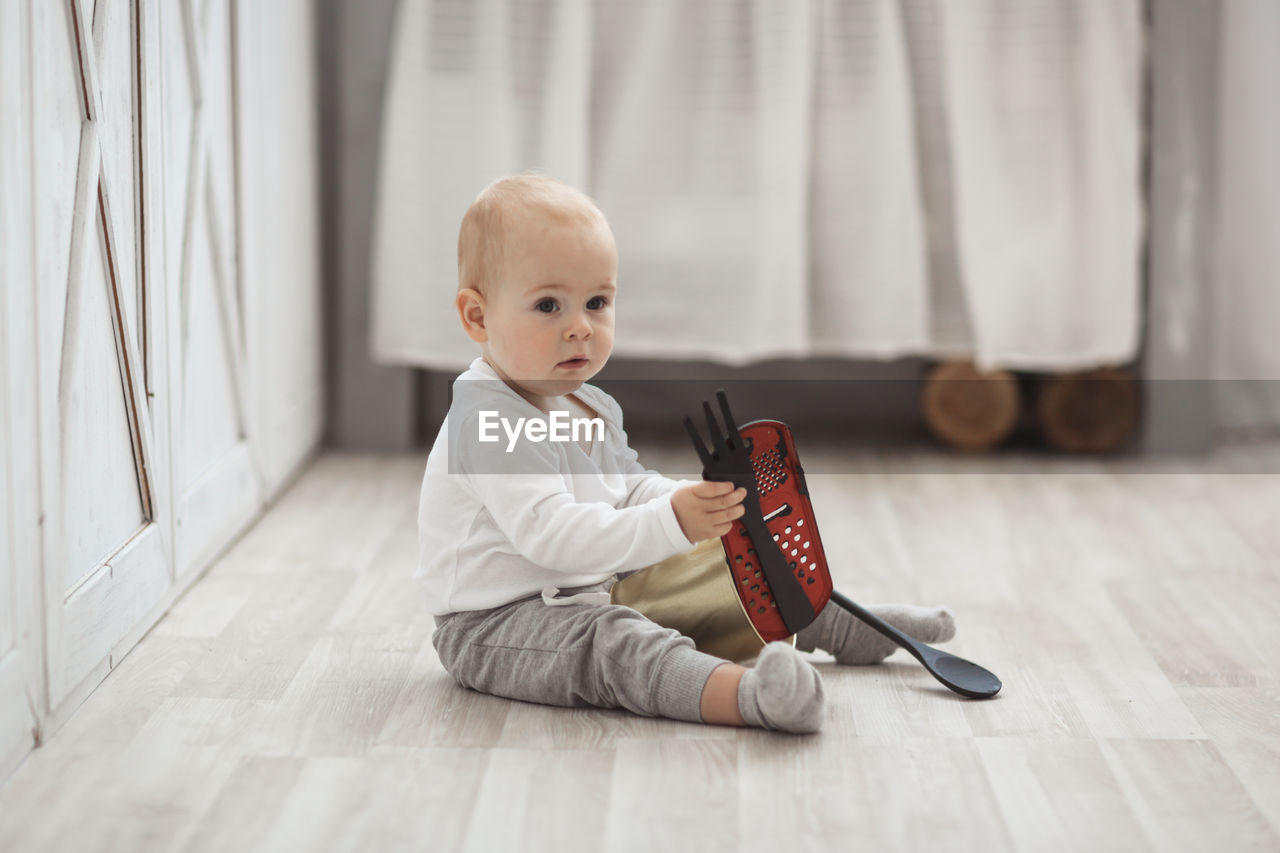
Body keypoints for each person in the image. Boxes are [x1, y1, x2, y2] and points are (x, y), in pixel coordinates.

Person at [417, 173, 956, 733]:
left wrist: (696, 502)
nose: (580, 327)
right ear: (477, 316)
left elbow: (627, 488)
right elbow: (553, 539)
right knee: (617, 647)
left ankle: (841, 623)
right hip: (498, 625)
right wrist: (672, 522)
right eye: (549, 305)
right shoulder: (489, 422)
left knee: (742, 561)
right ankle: (753, 699)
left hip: (591, 589)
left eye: (597, 302)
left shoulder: (584, 404)